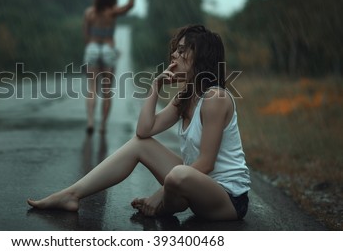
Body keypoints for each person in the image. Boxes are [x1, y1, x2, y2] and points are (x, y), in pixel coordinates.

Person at [28, 24, 251, 220]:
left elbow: (206, 163)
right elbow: (144, 131)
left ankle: (161, 206)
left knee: (178, 174)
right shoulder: (186, 97)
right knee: (139, 145)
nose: (173, 55)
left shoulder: (216, 98)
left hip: (227, 200)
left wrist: (161, 192)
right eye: (175, 49)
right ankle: (71, 195)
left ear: (200, 56)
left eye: (182, 50)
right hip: (193, 187)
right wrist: (155, 85)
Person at [83, 0, 135, 134]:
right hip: (108, 49)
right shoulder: (112, 12)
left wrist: (91, 45)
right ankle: (103, 125)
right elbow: (130, 5)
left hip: (92, 48)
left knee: (92, 88)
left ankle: (91, 121)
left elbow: (85, 34)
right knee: (107, 91)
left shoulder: (89, 13)